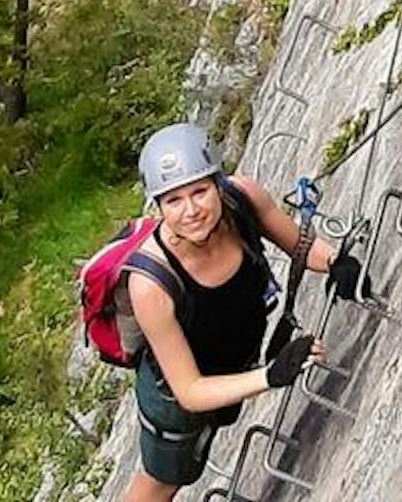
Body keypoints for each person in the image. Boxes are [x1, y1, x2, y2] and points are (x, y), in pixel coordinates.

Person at [124, 122, 363, 501]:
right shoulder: (151, 283)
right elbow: (189, 391)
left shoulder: (243, 199)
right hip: (176, 398)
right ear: (158, 206)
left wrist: (335, 261)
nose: (191, 211)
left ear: (218, 182)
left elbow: (299, 245)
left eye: (200, 191)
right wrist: (271, 374)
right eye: (173, 200)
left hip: (232, 364)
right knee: (165, 479)